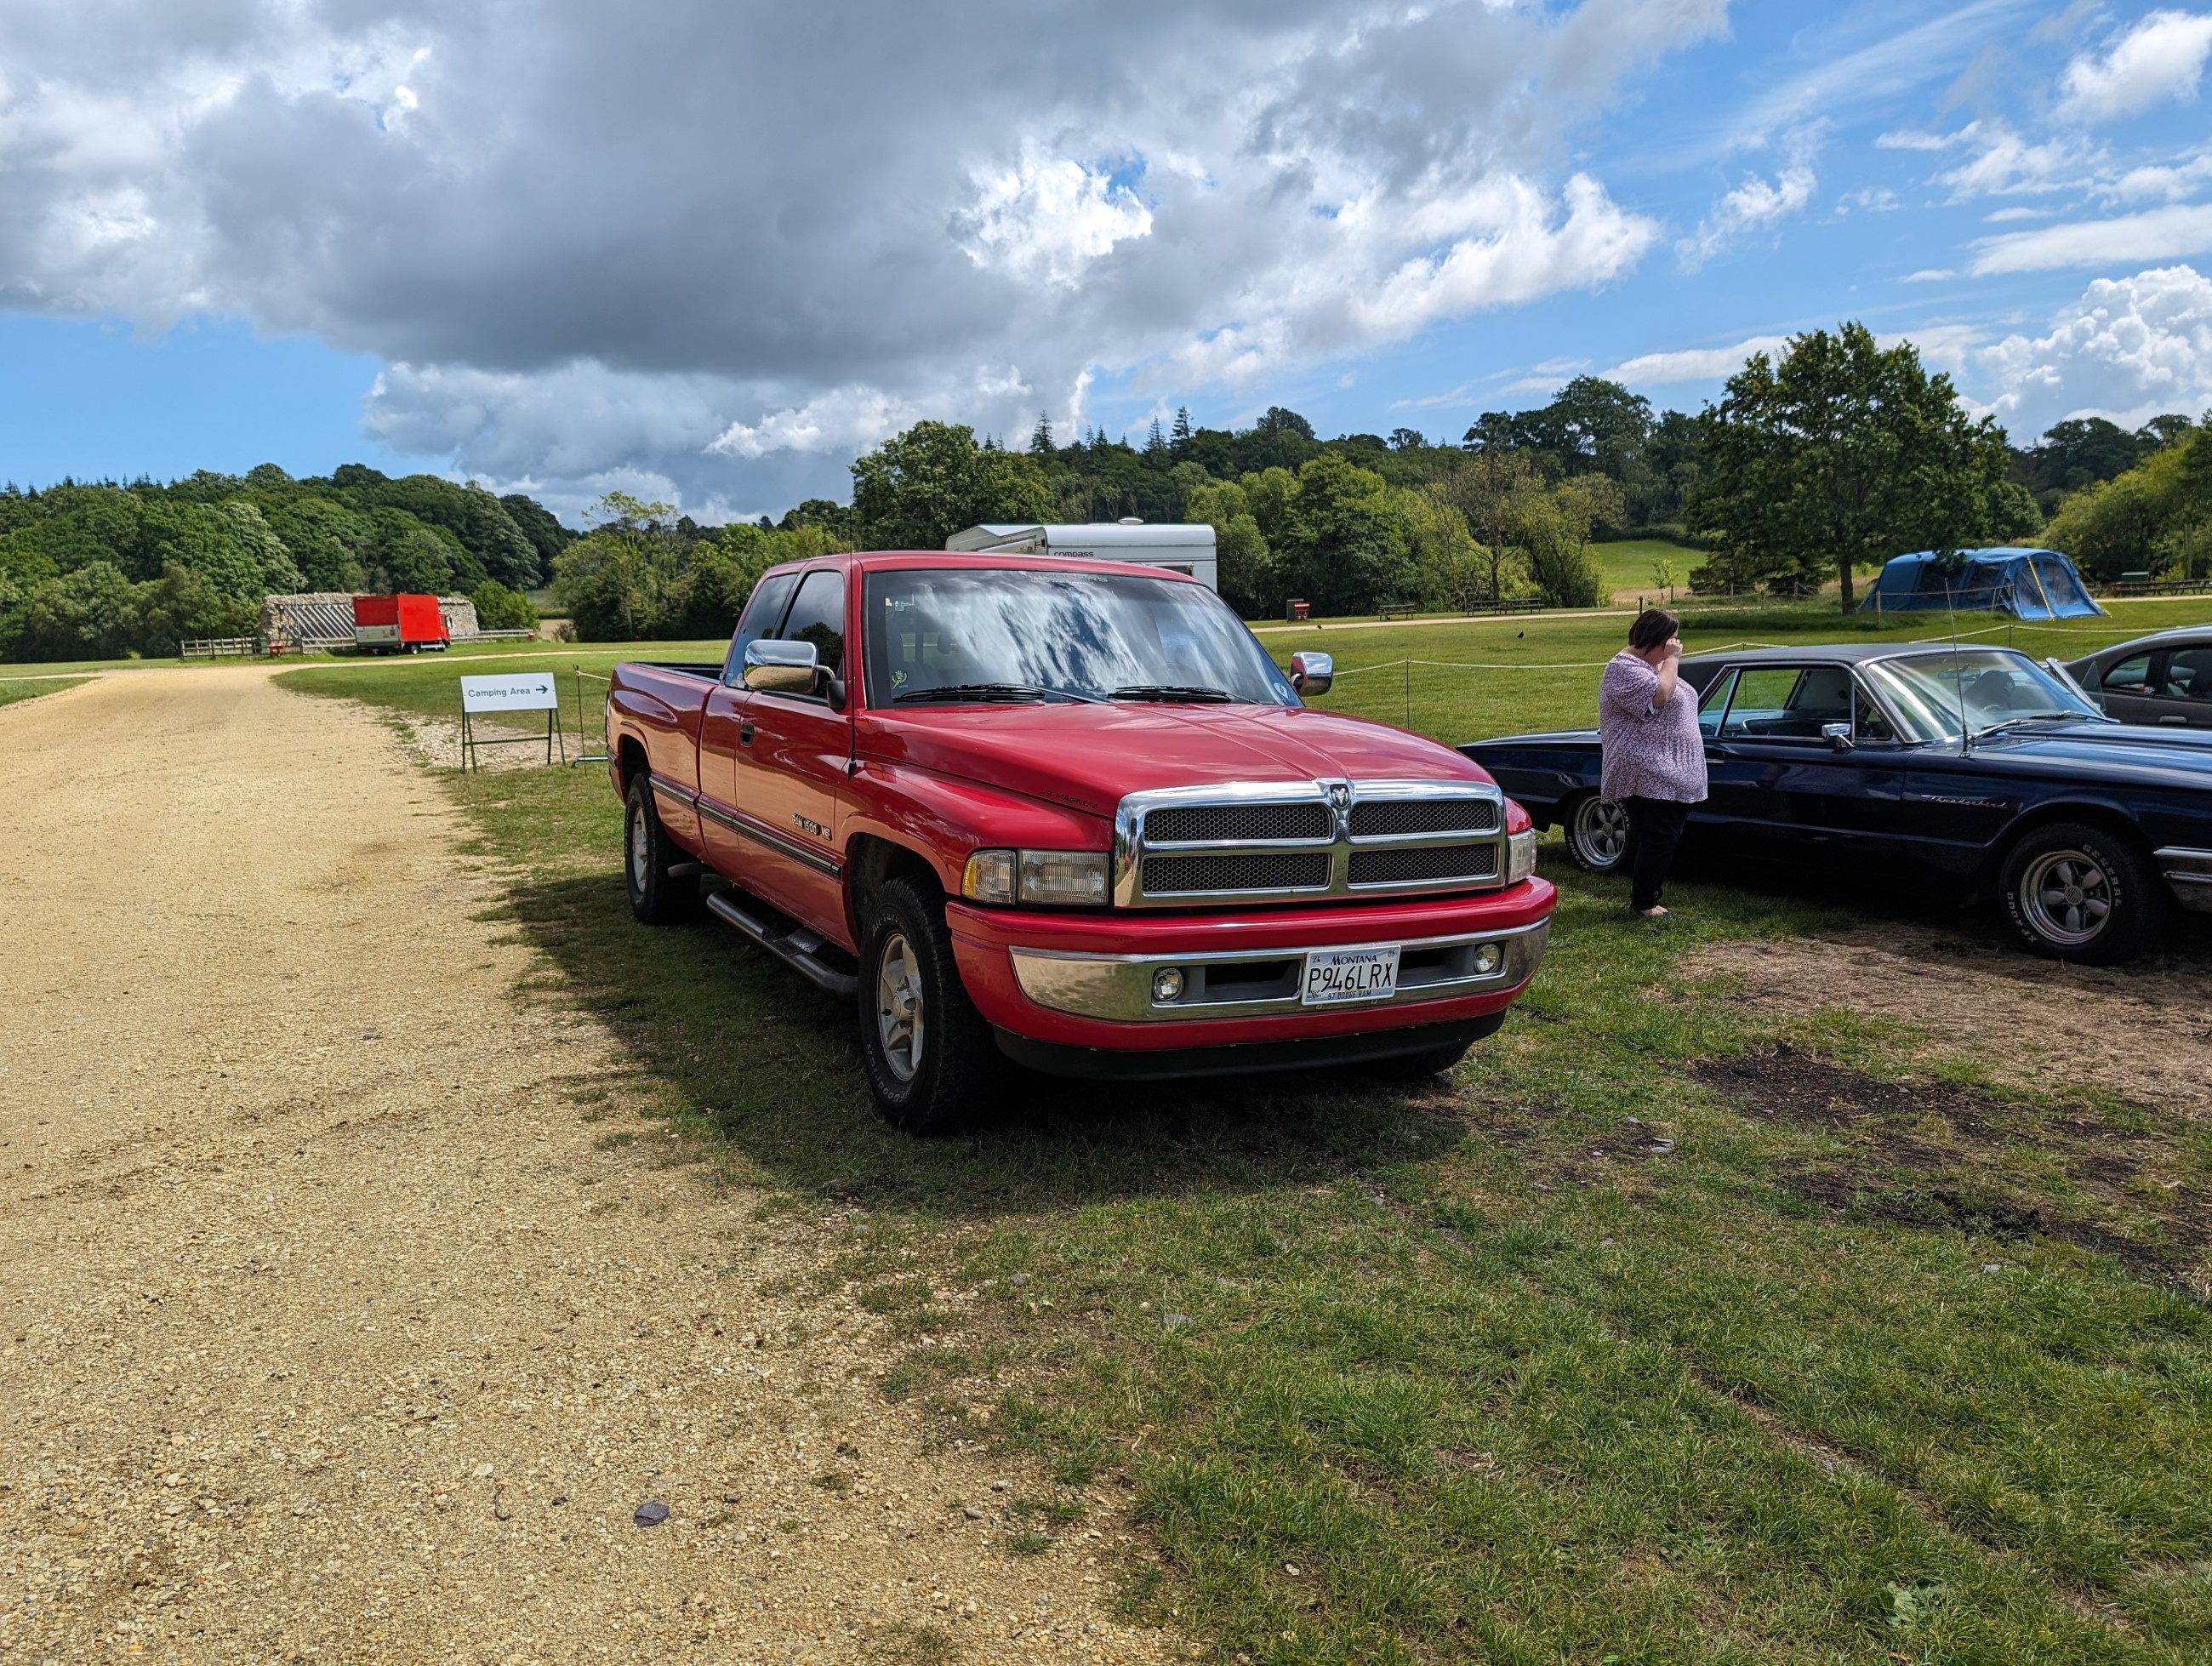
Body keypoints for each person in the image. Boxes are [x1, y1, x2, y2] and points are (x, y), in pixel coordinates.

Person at [1598, 608, 1707, 918]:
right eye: (1671, 639)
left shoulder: (1649, 665)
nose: (1676, 644)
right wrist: (1672, 660)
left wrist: (1665, 661)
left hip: (1668, 770)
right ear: (1656, 639)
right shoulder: (1623, 668)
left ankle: (1647, 894)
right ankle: (1645, 902)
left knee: (1663, 836)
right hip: (1647, 771)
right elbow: (1658, 696)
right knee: (1659, 837)